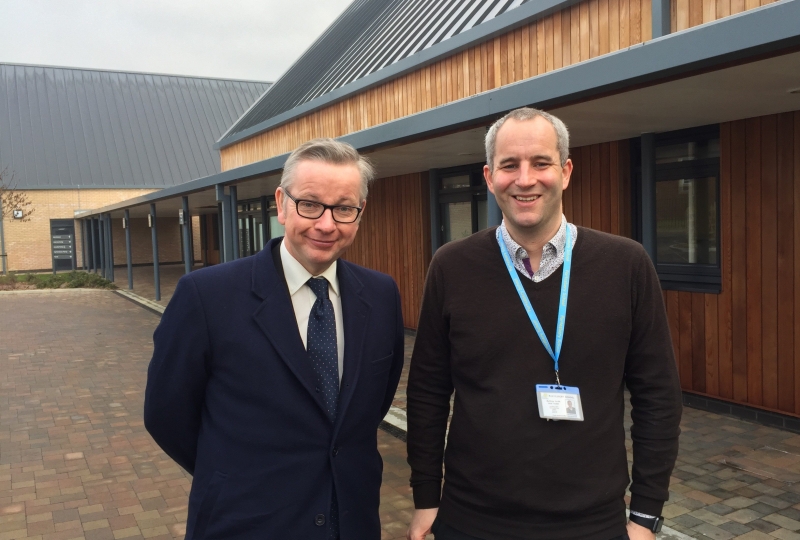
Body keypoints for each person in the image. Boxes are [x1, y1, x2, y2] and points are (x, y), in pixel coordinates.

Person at [406, 108, 681, 540]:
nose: (525, 179)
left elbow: (658, 395)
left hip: (592, 522)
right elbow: (427, 392)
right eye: (509, 165)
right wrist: (426, 498)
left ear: (566, 171)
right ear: (489, 175)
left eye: (540, 163)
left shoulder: (626, 264)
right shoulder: (451, 266)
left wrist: (646, 514)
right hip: (473, 518)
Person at [145, 138, 404, 540]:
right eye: (310, 204)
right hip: (245, 522)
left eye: (344, 208)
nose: (326, 224)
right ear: (281, 204)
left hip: (351, 522)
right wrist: (233, 473)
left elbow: (371, 405)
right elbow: (166, 413)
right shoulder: (206, 295)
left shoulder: (381, 295)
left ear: (360, 213)